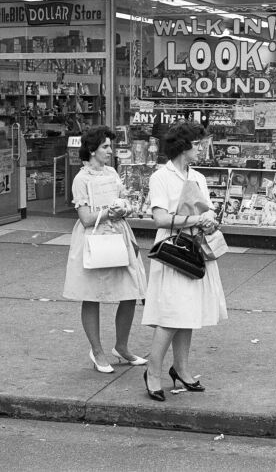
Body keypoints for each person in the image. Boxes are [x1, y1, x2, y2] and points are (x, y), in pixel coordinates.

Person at [141, 120, 227, 402]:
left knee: (187, 312)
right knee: (171, 313)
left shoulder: (198, 177)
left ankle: (181, 368)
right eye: (199, 144)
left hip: (195, 247)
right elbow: (160, 218)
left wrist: (210, 222)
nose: (203, 149)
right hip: (173, 249)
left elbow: (208, 210)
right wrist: (195, 219)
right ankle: (153, 372)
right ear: (185, 146)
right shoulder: (161, 177)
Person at [63, 126, 148, 374]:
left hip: (118, 234)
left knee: (130, 290)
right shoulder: (81, 179)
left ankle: (121, 346)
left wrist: (125, 208)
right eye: (106, 147)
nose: (110, 151)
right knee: (92, 294)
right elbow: (86, 218)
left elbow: (125, 199)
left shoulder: (112, 172)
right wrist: (107, 212)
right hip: (94, 238)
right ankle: (97, 350)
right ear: (92, 150)